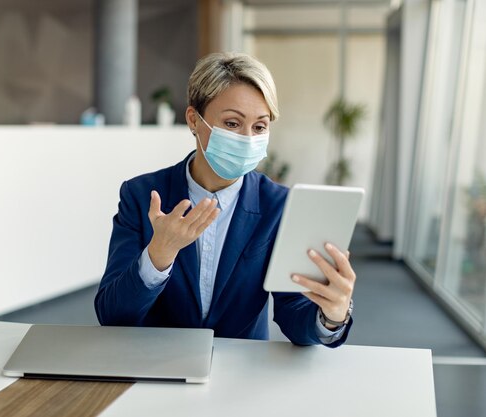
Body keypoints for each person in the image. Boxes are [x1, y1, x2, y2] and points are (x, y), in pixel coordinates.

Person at [95, 52, 356, 347]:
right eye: (232, 123)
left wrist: (332, 315)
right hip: (156, 367)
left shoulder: (279, 205)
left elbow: (295, 315)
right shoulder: (142, 196)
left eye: (259, 127)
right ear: (194, 120)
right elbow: (112, 315)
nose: (247, 138)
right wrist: (157, 256)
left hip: (243, 373)